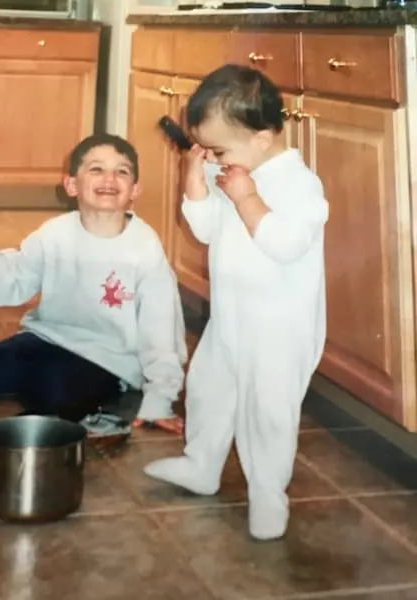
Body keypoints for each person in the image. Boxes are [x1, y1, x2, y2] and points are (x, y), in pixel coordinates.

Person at [144, 65, 329, 539]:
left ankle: (269, 494)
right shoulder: (237, 167)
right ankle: (201, 464)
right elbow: (205, 230)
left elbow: (285, 245)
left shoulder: (299, 185)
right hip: (230, 318)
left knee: (266, 413)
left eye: (219, 150)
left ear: (264, 137)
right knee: (208, 390)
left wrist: (247, 199)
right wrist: (195, 182)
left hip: (279, 332)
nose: (213, 159)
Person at [0, 133, 187, 435]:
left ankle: (37, 425)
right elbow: (16, 277)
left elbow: (162, 332)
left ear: (134, 190)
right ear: (72, 184)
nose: (109, 178)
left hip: (104, 357)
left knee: (55, 394)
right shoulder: (55, 233)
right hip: (42, 340)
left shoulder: (145, 250)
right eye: (96, 169)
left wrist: (160, 399)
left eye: (122, 171)